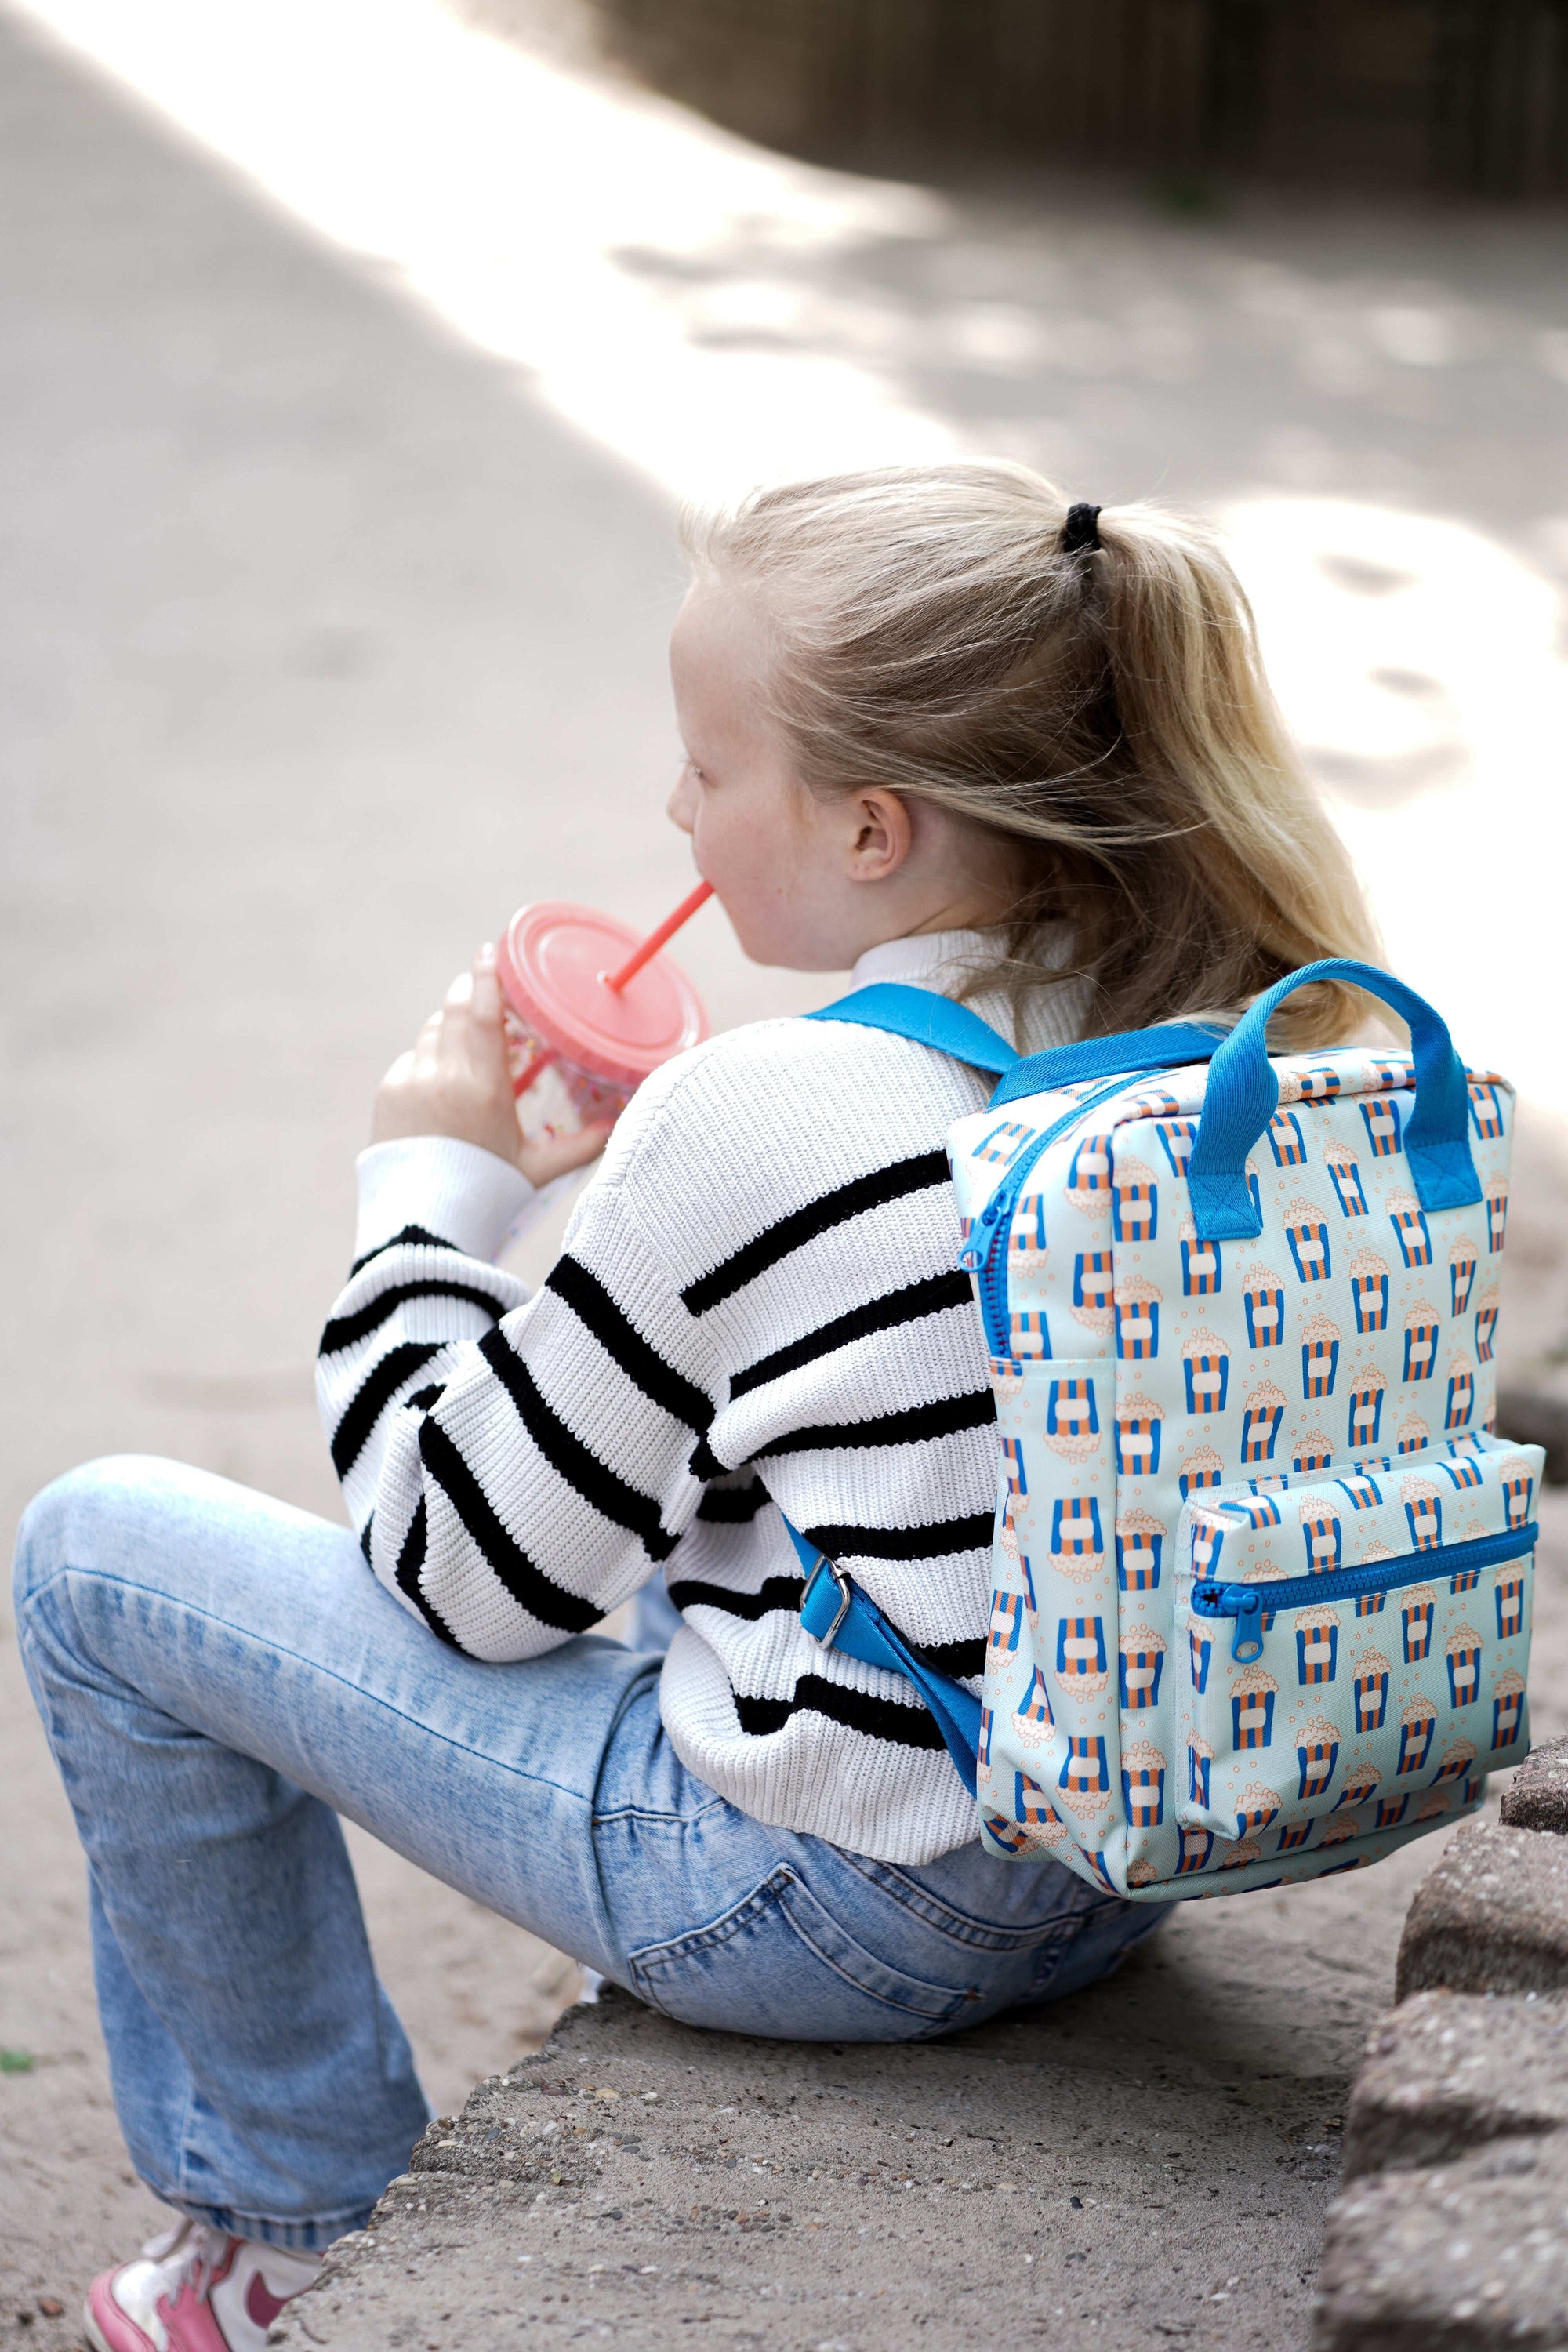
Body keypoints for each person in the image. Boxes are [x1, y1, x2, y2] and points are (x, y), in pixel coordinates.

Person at [13, 463, 1378, 2352]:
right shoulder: (1236, 1030)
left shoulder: (767, 1116)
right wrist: (632, 1272)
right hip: (1115, 1846)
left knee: (93, 1558)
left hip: (833, 1908)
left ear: (875, 827)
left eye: (710, 763)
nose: (675, 804)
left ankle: (279, 2226)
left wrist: (433, 1197)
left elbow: (463, 1580)